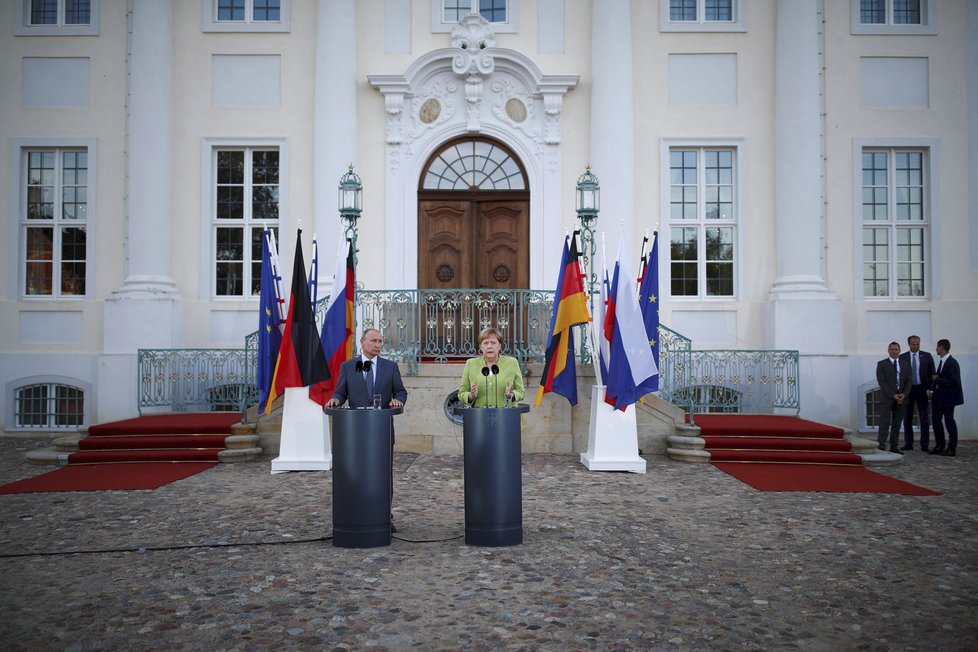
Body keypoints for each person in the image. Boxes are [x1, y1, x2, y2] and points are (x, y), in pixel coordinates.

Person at [326, 328, 407, 529]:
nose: (378, 344)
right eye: (374, 341)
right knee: (357, 473)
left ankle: (384, 516)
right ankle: (357, 512)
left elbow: (401, 391)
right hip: (355, 433)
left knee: (383, 474)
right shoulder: (348, 366)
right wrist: (335, 400)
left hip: (381, 431)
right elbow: (340, 393)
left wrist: (397, 400)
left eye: (380, 341)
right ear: (362, 342)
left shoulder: (390, 367)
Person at [458, 327, 525, 408]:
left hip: (505, 415)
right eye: (485, 343)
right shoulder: (471, 363)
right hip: (478, 416)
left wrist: (511, 395)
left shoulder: (512, 362)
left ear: (499, 346)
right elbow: (461, 393)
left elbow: (521, 392)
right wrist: (470, 396)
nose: (489, 346)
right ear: (481, 347)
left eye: (493, 343)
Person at [899, 335, 936, 452]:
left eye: (917, 344)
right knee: (907, 417)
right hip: (908, 390)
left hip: (922, 389)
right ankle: (908, 443)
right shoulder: (903, 357)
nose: (916, 346)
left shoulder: (927, 356)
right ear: (909, 344)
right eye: (913, 344)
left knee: (924, 417)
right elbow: (899, 375)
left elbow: (932, 374)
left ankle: (924, 444)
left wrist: (931, 389)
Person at [930, 339, 964, 457]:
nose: (936, 349)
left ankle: (952, 448)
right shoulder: (942, 361)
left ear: (942, 347)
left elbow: (954, 381)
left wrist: (937, 379)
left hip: (948, 398)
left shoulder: (952, 362)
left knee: (949, 422)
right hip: (939, 397)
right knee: (936, 421)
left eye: (937, 347)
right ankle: (940, 445)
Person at [876, 341, 911, 454]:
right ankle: (881, 445)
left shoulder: (905, 364)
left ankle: (894, 446)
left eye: (896, 349)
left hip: (901, 399)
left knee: (897, 424)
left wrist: (904, 394)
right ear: (888, 350)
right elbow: (882, 382)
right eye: (892, 349)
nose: (894, 351)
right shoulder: (882, 364)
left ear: (899, 351)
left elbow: (909, 381)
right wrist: (893, 395)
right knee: (884, 423)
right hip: (887, 398)